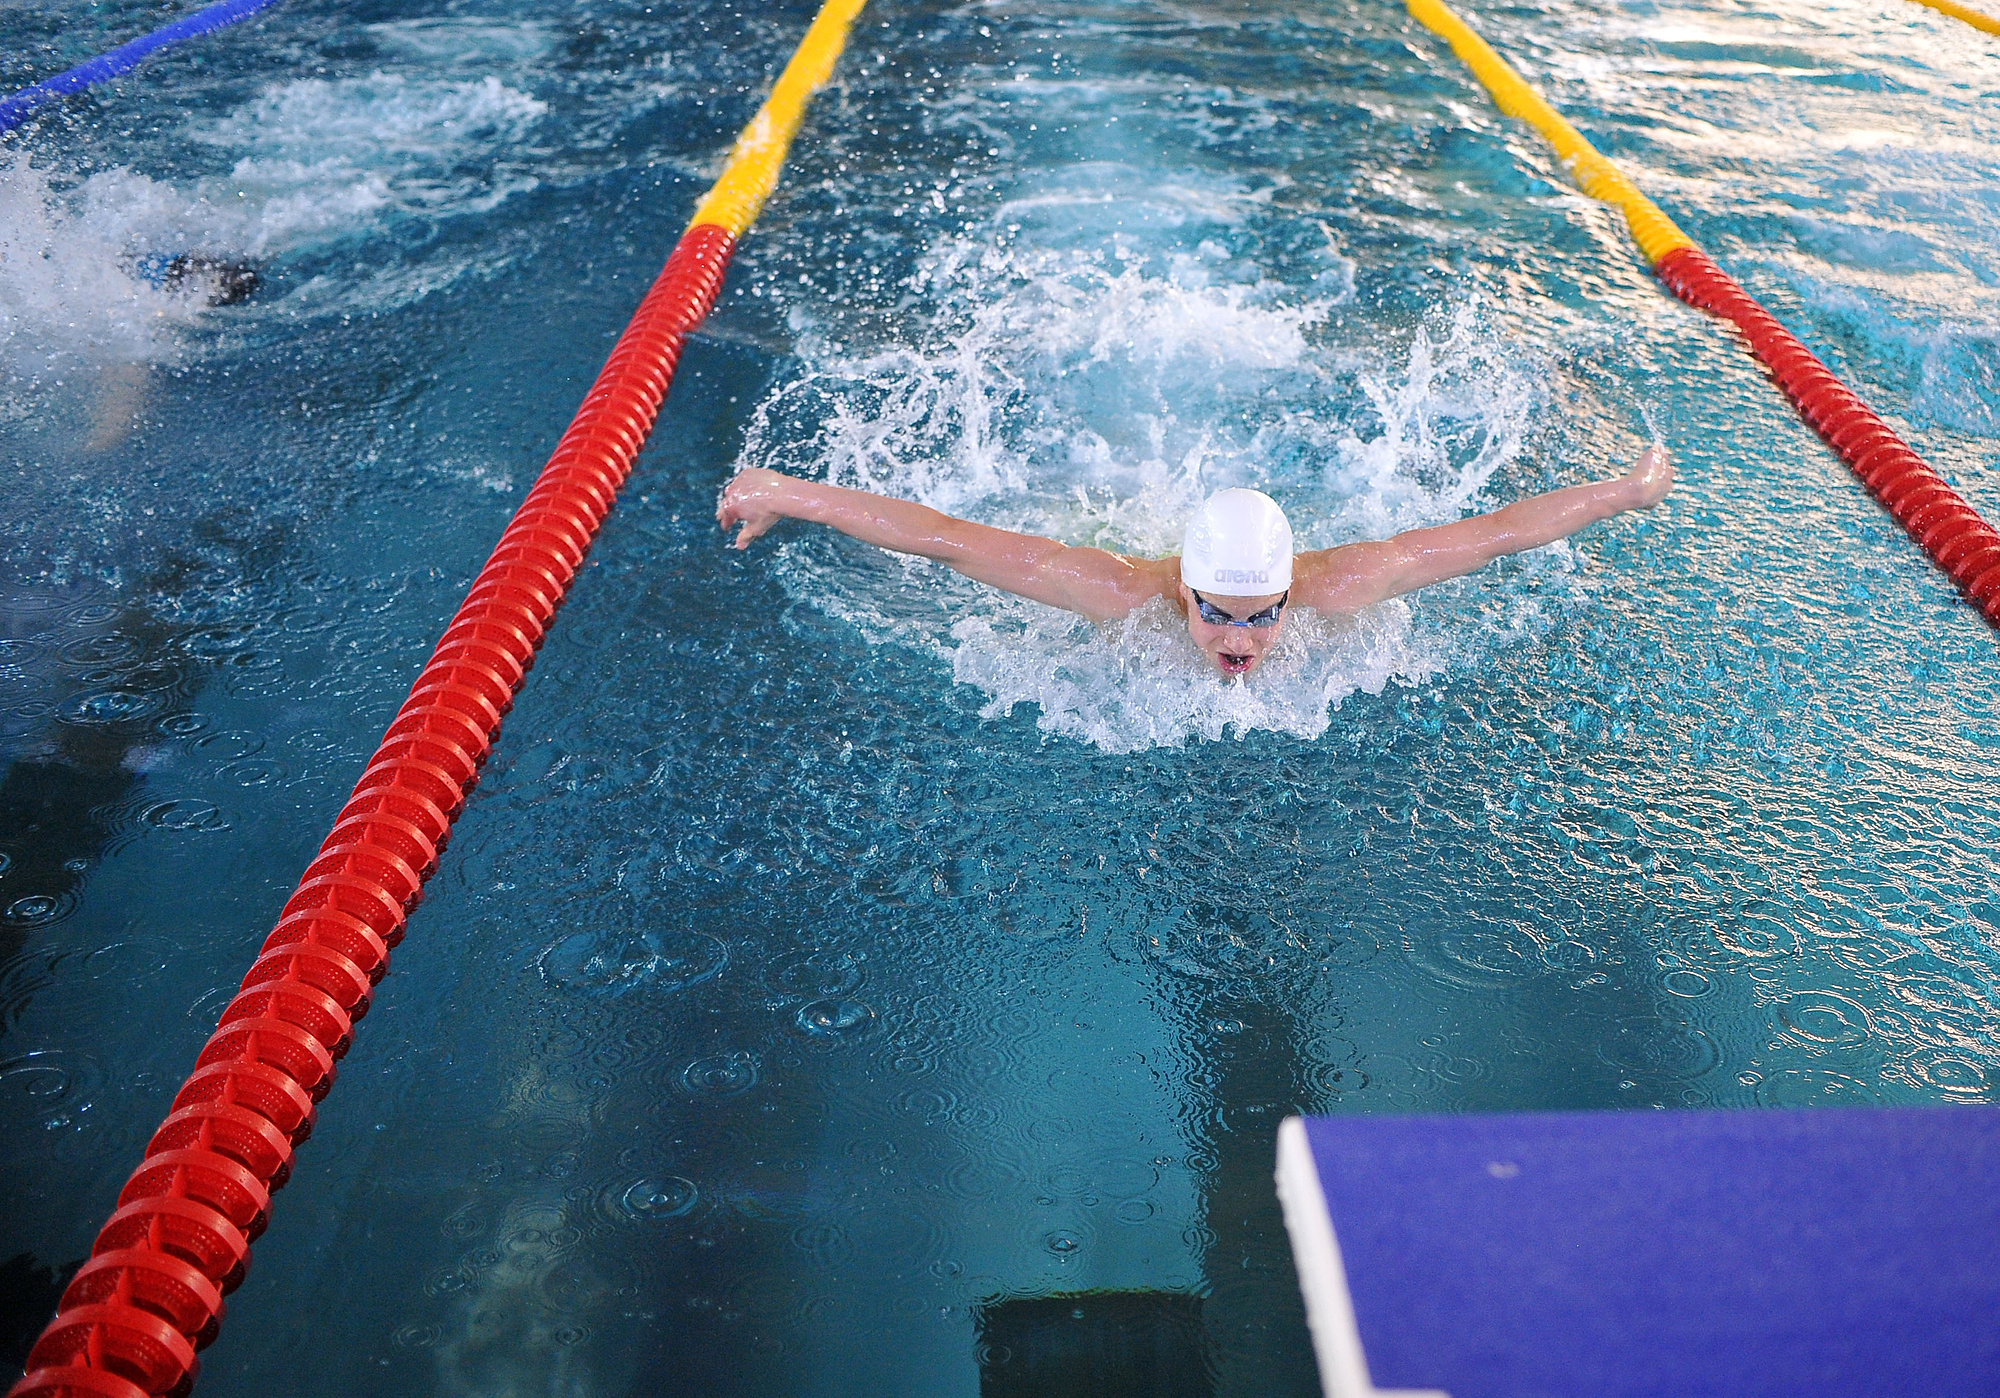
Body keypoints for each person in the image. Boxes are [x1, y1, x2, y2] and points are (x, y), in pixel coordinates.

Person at [716, 444, 1672, 679]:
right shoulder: (1115, 591)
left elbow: (1494, 533)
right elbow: (944, 536)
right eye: (1218, 611)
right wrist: (783, 491)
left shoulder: (1348, 581)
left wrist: (1623, 492)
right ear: (1182, 587)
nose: (1240, 638)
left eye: (1265, 614)